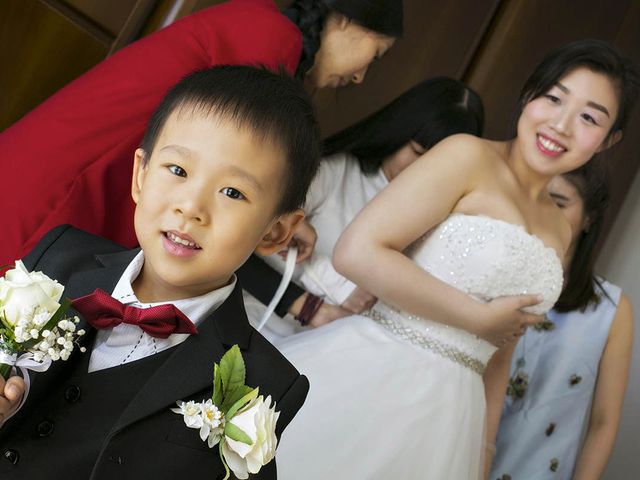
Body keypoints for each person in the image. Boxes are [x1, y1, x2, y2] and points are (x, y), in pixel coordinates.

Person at [273, 39, 639, 480]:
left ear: (609, 139)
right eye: (554, 98)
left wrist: (483, 452)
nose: (561, 124)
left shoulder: (559, 229)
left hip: (455, 417)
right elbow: (358, 251)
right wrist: (475, 316)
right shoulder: (467, 155)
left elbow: (501, 355)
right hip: (374, 372)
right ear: (529, 96)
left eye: (588, 117)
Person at [0, 65, 321, 480]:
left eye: (232, 193)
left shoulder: (262, 386)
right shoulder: (59, 259)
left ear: (276, 232)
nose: (191, 207)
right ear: (140, 175)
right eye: (178, 170)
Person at [0, 0, 402, 267]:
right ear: (348, 16)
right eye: (377, 54)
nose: (361, 75)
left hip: (79, 162)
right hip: (77, 174)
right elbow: (236, 156)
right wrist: (275, 218)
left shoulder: (264, 28)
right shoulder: (272, 36)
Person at [241, 77, 484, 338]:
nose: (421, 170)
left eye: (437, 164)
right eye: (417, 151)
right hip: (261, 324)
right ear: (399, 131)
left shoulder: (442, 220)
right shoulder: (336, 172)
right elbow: (252, 235)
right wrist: (334, 293)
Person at [490, 163, 634, 480]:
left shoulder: (611, 310)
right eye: (536, 197)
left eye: (559, 202)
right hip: (462, 453)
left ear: (588, 219)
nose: (543, 211)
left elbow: (604, 422)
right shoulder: (490, 274)